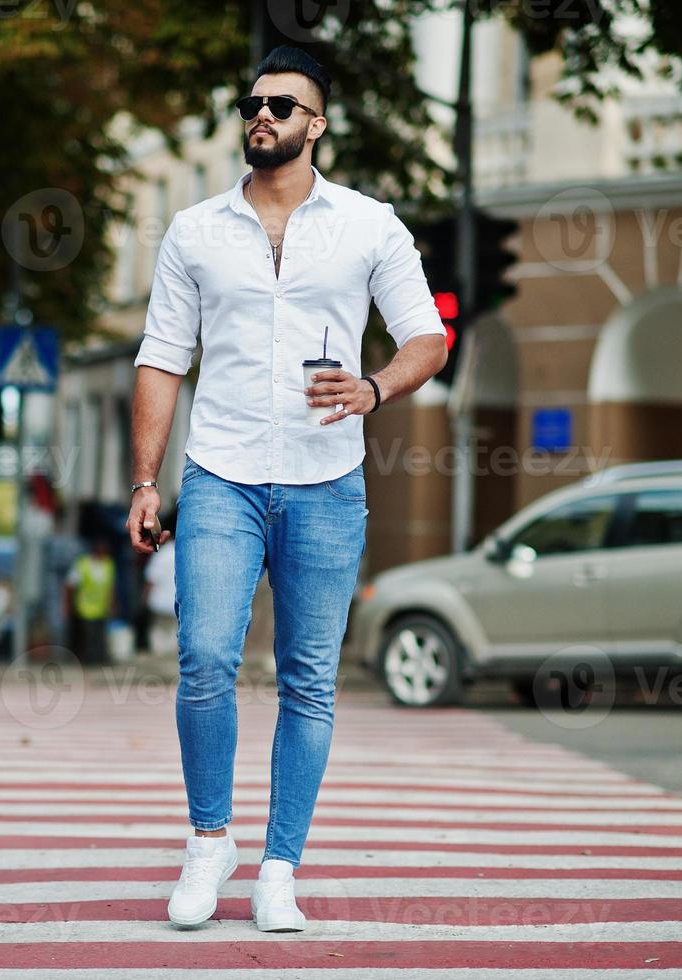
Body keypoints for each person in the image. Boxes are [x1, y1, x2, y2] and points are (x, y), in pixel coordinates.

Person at [125, 46, 449, 932]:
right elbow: (161, 358)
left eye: (281, 103)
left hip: (326, 480)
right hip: (221, 474)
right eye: (250, 102)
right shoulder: (194, 230)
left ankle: (278, 866)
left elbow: (426, 336)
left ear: (316, 124)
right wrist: (145, 482)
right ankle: (207, 843)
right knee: (204, 663)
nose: (259, 114)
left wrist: (375, 387)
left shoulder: (369, 225)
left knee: (308, 680)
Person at [63, 534, 117, 665]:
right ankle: (87, 661)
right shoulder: (83, 564)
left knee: (99, 637)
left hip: (101, 608)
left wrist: (112, 604)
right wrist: (68, 604)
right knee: (87, 637)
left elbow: (110, 587)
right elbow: (70, 585)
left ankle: (98, 660)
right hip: (84, 608)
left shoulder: (108, 564)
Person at [141, 507, 178, 656]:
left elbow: (151, 579)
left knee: (158, 635)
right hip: (177, 605)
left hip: (159, 604)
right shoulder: (186, 553)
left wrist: (144, 599)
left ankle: (158, 661)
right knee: (175, 636)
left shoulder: (162, 554)